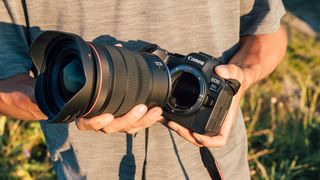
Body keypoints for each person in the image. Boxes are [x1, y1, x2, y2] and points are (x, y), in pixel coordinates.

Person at [0, 0, 287, 179]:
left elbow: (267, 34)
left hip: (214, 168)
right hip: (90, 171)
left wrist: (240, 79)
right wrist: (76, 100)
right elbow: (5, 88)